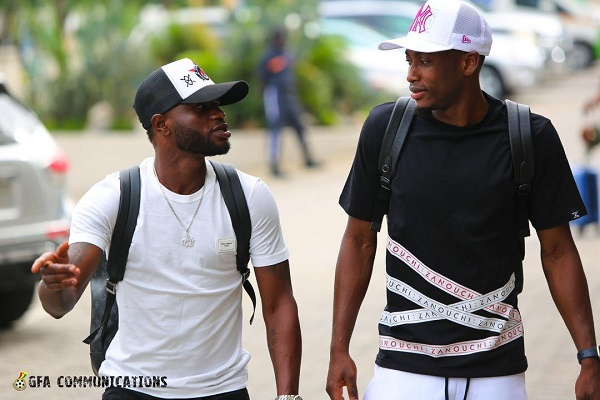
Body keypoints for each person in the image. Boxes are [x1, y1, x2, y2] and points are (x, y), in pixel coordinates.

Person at [325, 1, 600, 399]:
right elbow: (358, 241)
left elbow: (558, 251)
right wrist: (338, 349)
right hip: (403, 371)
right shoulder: (386, 130)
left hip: (497, 374)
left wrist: (588, 356)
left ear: (469, 63)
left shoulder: (528, 137)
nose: (410, 75)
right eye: (408, 59)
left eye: (425, 61)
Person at [31, 58, 303, 400]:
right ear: (162, 125)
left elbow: (278, 303)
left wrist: (288, 396)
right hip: (132, 390)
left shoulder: (249, 197)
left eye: (217, 105)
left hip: (224, 391)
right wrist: (53, 283)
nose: (218, 114)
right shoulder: (112, 198)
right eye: (201, 107)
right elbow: (60, 303)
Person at [258, 27, 319, 177]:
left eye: (283, 37)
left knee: (299, 127)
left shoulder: (287, 54)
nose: (282, 40)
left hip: (289, 96)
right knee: (275, 130)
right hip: (275, 96)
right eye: (279, 37)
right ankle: (274, 166)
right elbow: (262, 78)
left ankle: (308, 159)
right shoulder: (267, 57)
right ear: (274, 39)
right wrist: (267, 95)